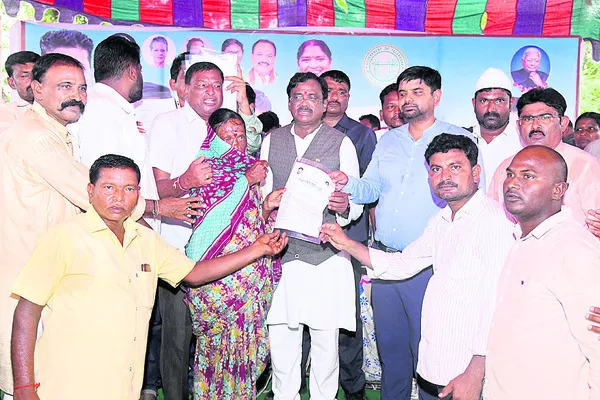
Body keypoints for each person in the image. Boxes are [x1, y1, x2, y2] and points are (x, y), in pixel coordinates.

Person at [9, 154, 288, 400]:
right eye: (108, 187)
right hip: (68, 386)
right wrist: (23, 387)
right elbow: (26, 312)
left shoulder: (146, 240)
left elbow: (194, 273)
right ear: (90, 191)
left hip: (123, 387)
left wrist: (257, 249)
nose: (119, 197)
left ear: (138, 194)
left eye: (128, 189)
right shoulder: (64, 236)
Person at [323, 133, 514, 400]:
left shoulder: (493, 222)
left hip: (471, 364)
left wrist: (476, 370)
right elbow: (403, 264)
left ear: (475, 172)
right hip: (445, 355)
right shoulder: (443, 219)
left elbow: (497, 303)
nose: (445, 176)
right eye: (436, 169)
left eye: (455, 167)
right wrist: (346, 243)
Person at [331, 66, 482, 400]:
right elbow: (371, 188)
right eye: (402, 93)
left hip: (431, 265)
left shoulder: (458, 140)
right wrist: (347, 183)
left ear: (436, 96)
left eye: (417, 92)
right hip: (386, 262)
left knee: (431, 353)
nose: (407, 99)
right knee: (392, 351)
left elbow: (472, 198)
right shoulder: (388, 140)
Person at [0, 53, 144, 399]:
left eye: (81, 88)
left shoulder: (53, 132)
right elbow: (89, 193)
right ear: (36, 89)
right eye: (65, 86)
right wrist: (151, 207)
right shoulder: (36, 137)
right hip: (29, 275)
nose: (76, 96)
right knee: (32, 381)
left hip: (47, 273)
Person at [147, 61, 263, 400]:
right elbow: (157, 190)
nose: (211, 92)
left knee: (226, 340)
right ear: (184, 88)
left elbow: (252, 149)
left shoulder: (227, 126)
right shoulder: (167, 124)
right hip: (181, 248)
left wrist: (243, 102)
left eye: (216, 85)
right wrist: (186, 181)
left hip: (230, 255)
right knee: (178, 337)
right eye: (202, 85)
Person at [260, 72, 362, 400]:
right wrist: (268, 202)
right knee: (282, 340)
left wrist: (345, 206)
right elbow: (262, 194)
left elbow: (355, 202)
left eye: (313, 97)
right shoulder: (272, 140)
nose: (305, 103)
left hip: (325, 258)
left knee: (325, 344)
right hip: (281, 255)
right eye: (298, 96)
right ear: (289, 102)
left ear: (324, 103)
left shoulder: (341, 143)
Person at [485, 146, 600, 399]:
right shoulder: (520, 240)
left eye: (528, 176)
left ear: (558, 190)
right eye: (510, 174)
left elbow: (597, 348)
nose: (512, 183)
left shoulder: (574, 249)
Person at [183, 109, 283, 399]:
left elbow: (247, 223)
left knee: (246, 355)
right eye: (227, 137)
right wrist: (247, 180)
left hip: (249, 276)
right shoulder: (206, 168)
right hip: (218, 280)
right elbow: (215, 220)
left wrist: (266, 206)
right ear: (214, 140)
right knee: (216, 356)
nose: (236, 143)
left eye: (240, 136)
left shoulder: (246, 169)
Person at [74, 35, 199, 232]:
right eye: (140, 70)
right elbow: (106, 189)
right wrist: (156, 212)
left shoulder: (112, 109)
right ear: (133, 72)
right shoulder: (100, 111)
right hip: (115, 234)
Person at [321, 69, 378, 400]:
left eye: (341, 91)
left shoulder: (361, 134)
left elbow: (369, 187)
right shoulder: (301, 130)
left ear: (349, 97)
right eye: (329, 90)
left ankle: (353, 385)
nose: (334, 97)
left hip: (349, 236)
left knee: (347, 314)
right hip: (306, 236)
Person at [488, 88, 600, 238]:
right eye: (528, 119)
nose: (535, 126)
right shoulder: (506, 168)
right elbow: (493, 218)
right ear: (518, 125)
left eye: (545, 117)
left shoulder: (584, 165)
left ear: (563, 123)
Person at [470, 68, 522, 183]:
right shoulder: (462, 138)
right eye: (484, 101)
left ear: (511, 103)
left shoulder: (523, 142)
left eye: (499, 101)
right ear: (474, 103)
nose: (491, 109)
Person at [0, 51, 40, 133]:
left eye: (37, 74)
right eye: (24, 76)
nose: (33, 81)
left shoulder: (60, 108)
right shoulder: (5, 112)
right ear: (12, 82)